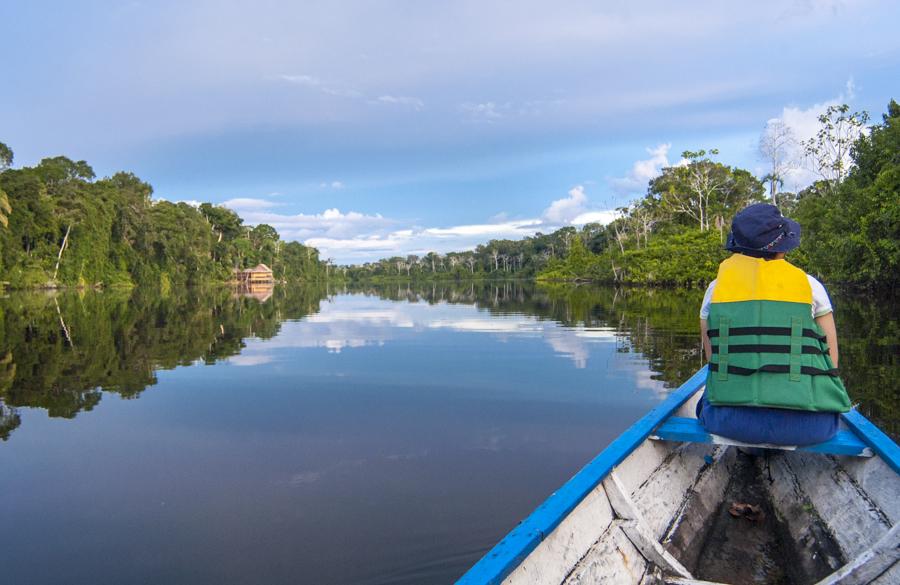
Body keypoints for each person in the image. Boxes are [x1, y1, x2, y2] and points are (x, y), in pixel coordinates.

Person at [696, 203, 851, 446]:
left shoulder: (715, 290)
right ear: (782, 247)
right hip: (811, 427)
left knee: (704, 399)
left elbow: (713, 360)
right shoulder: (811, 287)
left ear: (738, 249)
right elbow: (832, 364)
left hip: (729, 422)